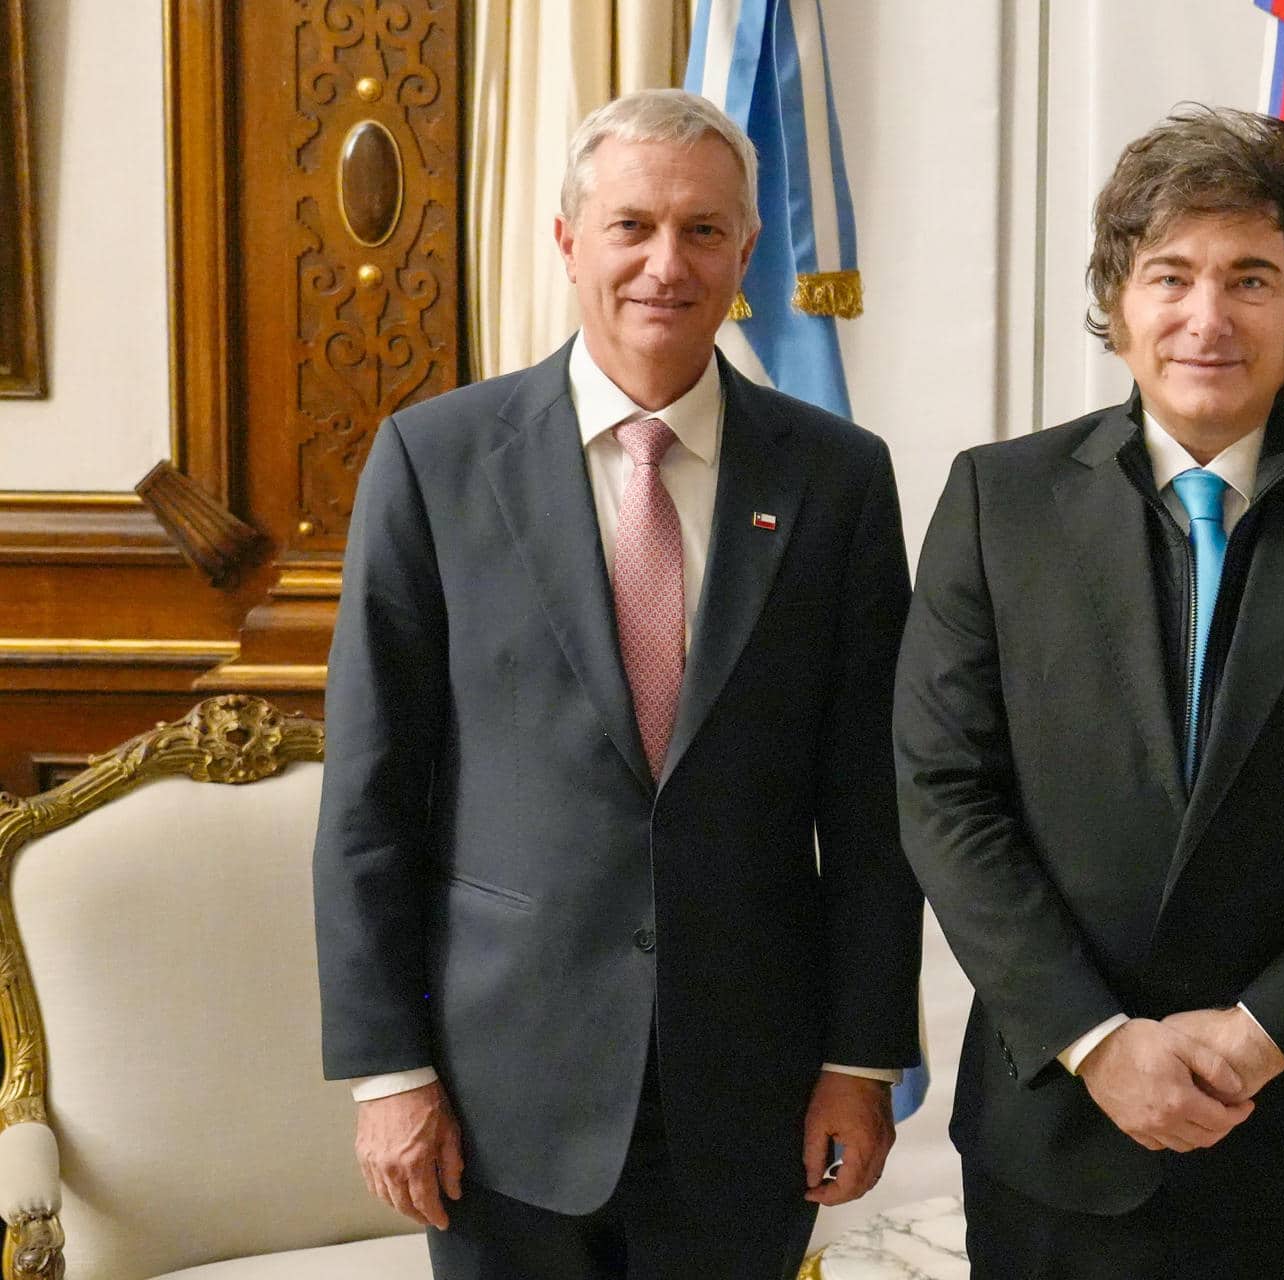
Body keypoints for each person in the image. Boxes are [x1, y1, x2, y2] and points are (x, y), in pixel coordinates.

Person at [313, 89, 922, 1280]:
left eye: (703, 231)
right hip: (497, 1104)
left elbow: (871, 804)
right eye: (631, 224)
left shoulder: (839, 478)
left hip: (749, 1094)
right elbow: (369, 796)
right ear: (567, 241)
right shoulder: (432, 461)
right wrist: (390, 1074)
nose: (666, 262)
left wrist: (859, 1059)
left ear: (747, 253)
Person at [893, 105, 1284, 1279]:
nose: (1206, 317)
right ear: (1119, 302)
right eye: (1170, 275)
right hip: (1059, 1129)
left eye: (1251, 278)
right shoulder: (996, 502)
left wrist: (1258, 1036)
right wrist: (1099, 1039)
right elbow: (944, 793)